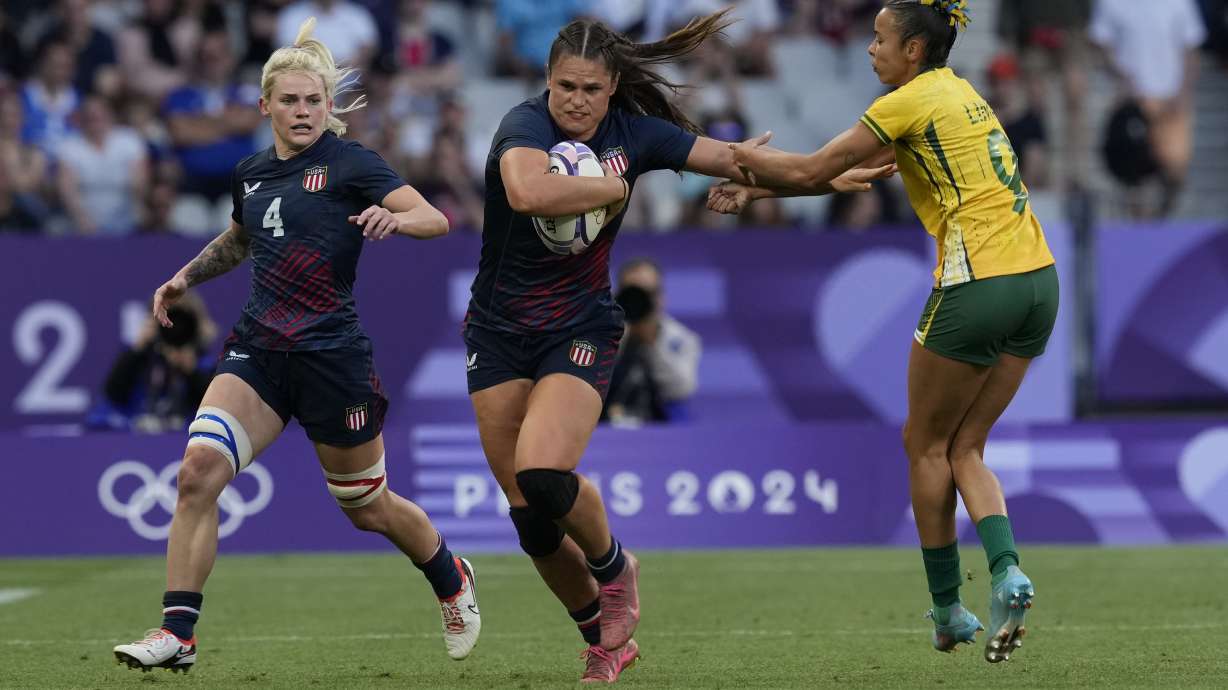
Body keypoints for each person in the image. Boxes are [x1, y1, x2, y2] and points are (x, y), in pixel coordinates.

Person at [465, 10, 894, 683]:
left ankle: (615, 567)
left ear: (612, 92)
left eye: (590, 90)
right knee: (532, 522)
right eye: (565, 87)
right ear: (547, 81)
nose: (576, 101)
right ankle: (605, 644)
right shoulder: (524, 126)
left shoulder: (634, 134)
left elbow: (732, 158)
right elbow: (525, 191)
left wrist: (811, 177)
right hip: (495, 333)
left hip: (578, 326)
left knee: (544, 476)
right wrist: (612, 185)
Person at [112, 18, 480, 674]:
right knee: (197, 474)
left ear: (329, 107)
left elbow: (436, 216)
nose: (303, 110)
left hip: (331, 355)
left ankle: (450, 574)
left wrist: (396, 217)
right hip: (258, 349)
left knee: (367, 507)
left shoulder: (351, 163)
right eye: (290, 100)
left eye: (314, 100)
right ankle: (178, 634)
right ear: (265, 106)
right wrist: (184, 277)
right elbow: (238, 239)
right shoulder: (251, 174)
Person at [711, 0, 1056, 664]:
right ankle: (1008, 569)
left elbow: (814, 168)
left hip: (977, 283)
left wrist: (728, 163)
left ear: (914, 52)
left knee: (922, 444)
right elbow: (854, 176)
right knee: (965, 448)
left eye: (880, 39)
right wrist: (757, 195)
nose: (870, 49)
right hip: (1038, 281)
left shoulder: (907, 102)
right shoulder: (959, 96)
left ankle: (949, 609)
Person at [615, 258, 702, 420]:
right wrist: (620, 336)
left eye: (648, 294)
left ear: (661, 296)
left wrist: (652, 343)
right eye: (633, 293)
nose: (640, 301)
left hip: (660, 427)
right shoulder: (602, 332)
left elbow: (682, 389)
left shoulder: (681, 337)